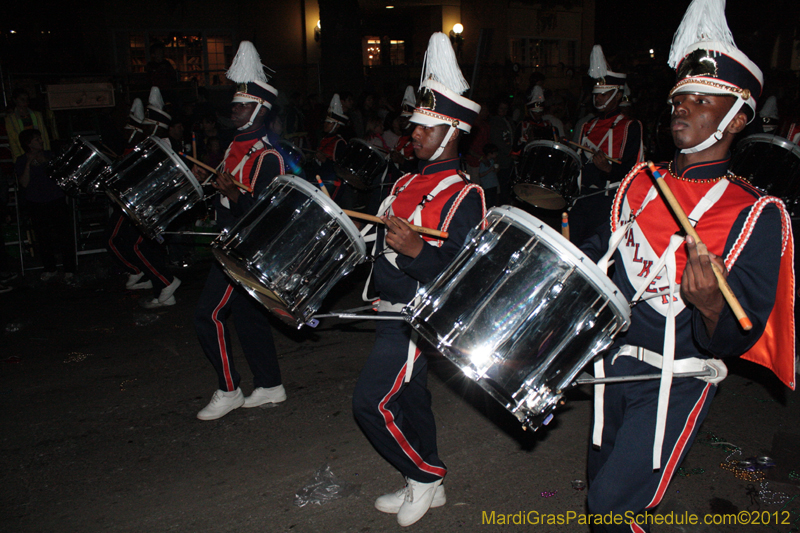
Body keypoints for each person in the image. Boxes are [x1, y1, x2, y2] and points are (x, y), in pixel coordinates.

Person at [580, 1, 795, 530]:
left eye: (702, 100)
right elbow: (598, 268)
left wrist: (709, 305)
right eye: (680, 97)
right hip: (612, 366)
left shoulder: (756, 213)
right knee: (606, 492)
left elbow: (736, 336)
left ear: (738, 118)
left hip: (677, 377)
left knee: (610, 503)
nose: (683, 108)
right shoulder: (638, 183)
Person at [352, 32, 486, 528]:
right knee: (412, 399)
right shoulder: (405, 181)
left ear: (452, 133)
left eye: (425, 129)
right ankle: (431, 485)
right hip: (390, 308)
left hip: (417, 316)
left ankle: (425, 473)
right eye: (414, 128)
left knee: (369, 403)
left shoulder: (465, 196)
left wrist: (412, 254)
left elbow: (460, 274)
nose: (414, 136)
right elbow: (377, 245)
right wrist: (376, 285)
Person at [193, 41, 288, 421]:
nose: (234, 110)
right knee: (248, 317)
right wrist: (212, 184)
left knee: (208, 315)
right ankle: (270, 385)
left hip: (245, 249)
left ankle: (228, 388)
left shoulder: (269, 156)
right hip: (228, 241)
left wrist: (233, 197)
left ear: (261, 111)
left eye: (243, 105)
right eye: (234, 105)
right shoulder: (235, 144)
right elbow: (228, 193)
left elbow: (268, 216)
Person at [107, 91, 181, 308]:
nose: (143, 128)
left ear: (158, 126)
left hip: (157, 207)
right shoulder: (153, 144)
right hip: (146, 205)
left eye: (148, 124)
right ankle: (164, 291)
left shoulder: (166, 146)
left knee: (138, 245)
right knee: (143, 246)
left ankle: (166, 282)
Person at [569, 45, 643, 246]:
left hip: (608, 203)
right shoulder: (587, 125)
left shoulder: (631, 126)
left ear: (617, 95)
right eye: (596, 94)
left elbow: (634, 171)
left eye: (604, 94)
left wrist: (608, 169)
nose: (598, 98)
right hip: (581, 200)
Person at [15, 129, 77, 282]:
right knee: (43, 237)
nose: (40, 142)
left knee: (64, 235)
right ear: (28, 144)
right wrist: (29, 163)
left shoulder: (50, 156)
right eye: (36, 140)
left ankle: (69, 269)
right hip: (36, 202)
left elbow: (61, 175)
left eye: (40, 139)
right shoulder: (21, 160)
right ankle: (50, 268)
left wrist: (47, 163)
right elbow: (23, 183)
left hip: (55, 199)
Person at [5, 88, 55, 161]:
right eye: (22, 99)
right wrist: (18, 157)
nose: (25, 102)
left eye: (26, 99)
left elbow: (44, 135)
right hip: (23, 152)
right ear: (15, 100)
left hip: (39, 151)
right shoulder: (11, 119)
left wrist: (46, 151)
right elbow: (12, 140)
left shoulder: (37, 115)